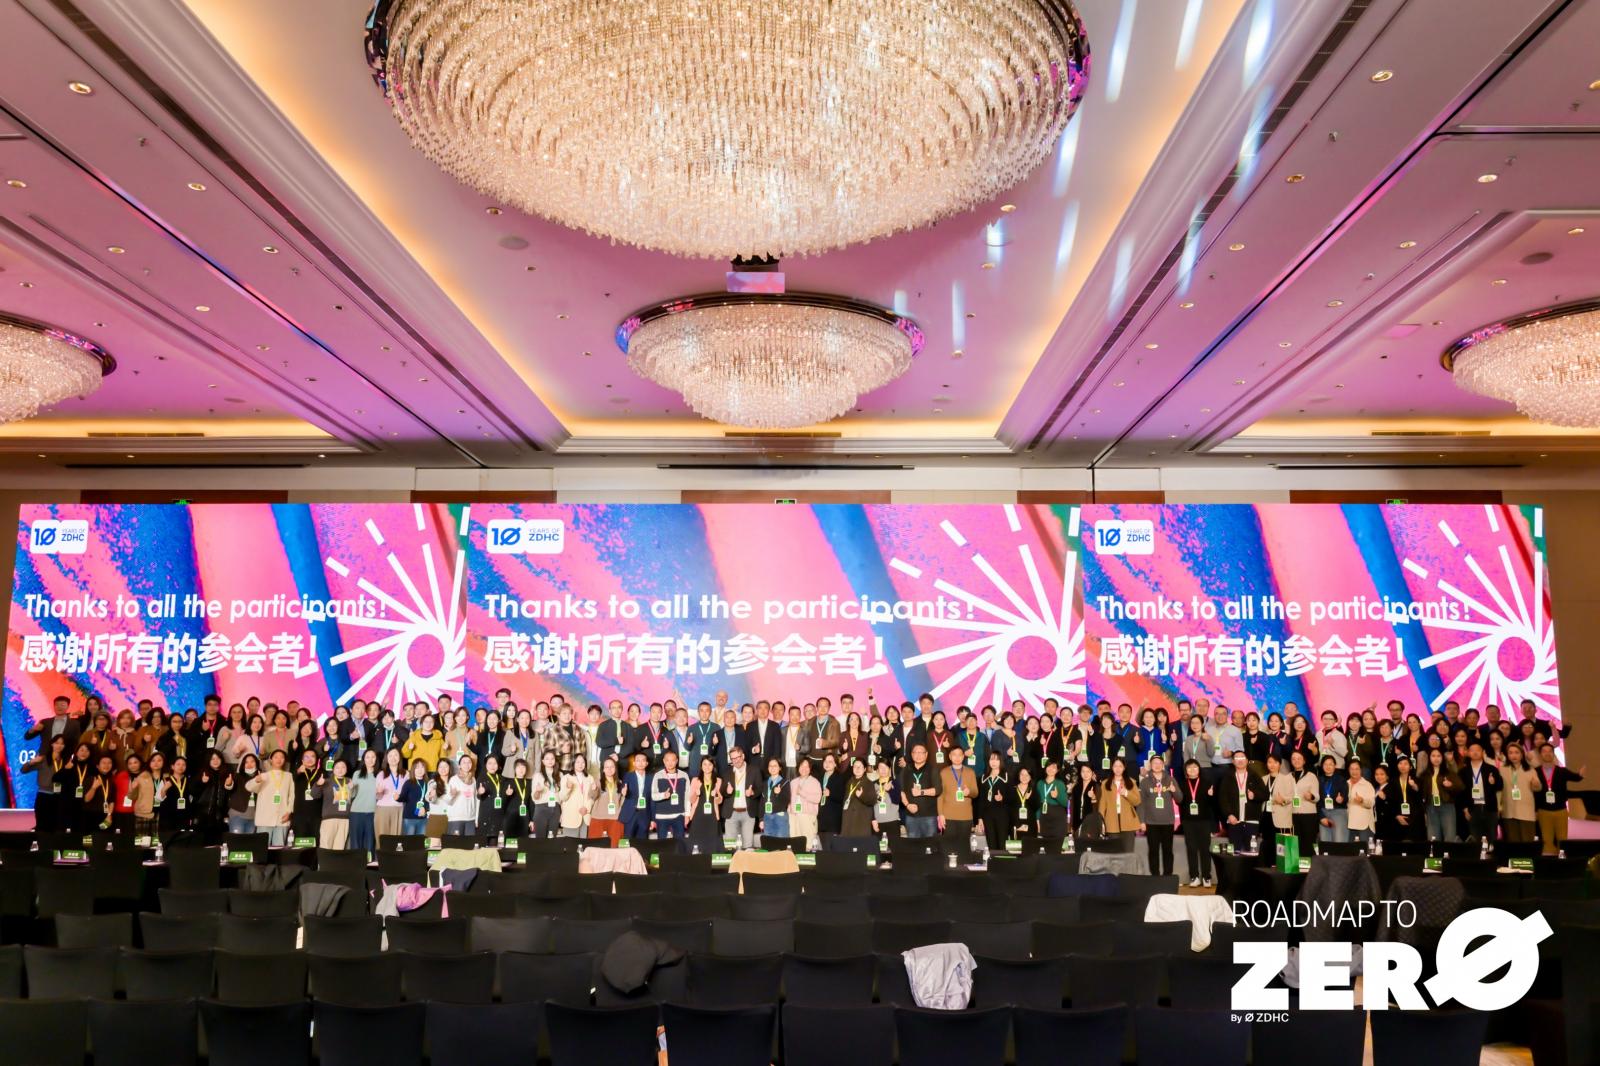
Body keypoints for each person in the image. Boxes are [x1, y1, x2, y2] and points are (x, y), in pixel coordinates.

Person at [1532, 743, 1585, 855]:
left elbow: (1576, 777)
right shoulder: (1535, 772)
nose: (1547, 753)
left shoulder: (1562, 771)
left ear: (1553, 753)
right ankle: (1549, 860)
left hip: (1561, 810)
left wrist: (1580, 775)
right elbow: (1533, 793)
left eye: (1550, 751)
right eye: (1544, 751)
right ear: (1540, 755)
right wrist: (1535, 810)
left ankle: (1562, 858)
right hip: (1543, 811)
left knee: (1562, 838)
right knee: (1546, 839)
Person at [246, 749, 295, 846]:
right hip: (264, 818)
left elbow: (292, 796)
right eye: (276, 757)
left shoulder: (289, 776)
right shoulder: (264, 775)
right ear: (271, 760)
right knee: (262, 848)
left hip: (282, 818)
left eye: (282, 757)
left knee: (279, 848)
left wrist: (289, 812)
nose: (279, 759)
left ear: (285, 760)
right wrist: (256, 780)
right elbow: (249, 787)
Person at [1178, 759, 1215, 886]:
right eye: (1189, 767)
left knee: (1205, 849)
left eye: (1195, 767)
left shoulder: (1207, 783)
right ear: (1186, 770)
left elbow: (1212, 804)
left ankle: (1206, 877)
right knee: (1191, 849)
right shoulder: (1182, 784)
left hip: (1204, 820)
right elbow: (1180, 802)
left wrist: (1211, 795)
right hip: (1188, 821)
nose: (1192, 769)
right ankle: (1194, 877)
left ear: (1199, 769)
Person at [1139, 755, 1175, 876]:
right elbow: (1141, 803)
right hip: (1151, 823)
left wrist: (1174, 790)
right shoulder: (1145, 782)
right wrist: (1142, 821)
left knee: (1168, 851)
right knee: (1153, 851)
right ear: (1150, 765)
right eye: (1154, 763)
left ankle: (1168, 876)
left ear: (1163, 765)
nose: (1157, 765)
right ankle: (1155, 876)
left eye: (1160, 763)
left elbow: (1180, 799)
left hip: (1168, 822)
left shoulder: (1170, 779)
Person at [1460, 741, 1502, 845]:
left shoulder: (1491, 769)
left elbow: (1500, 786)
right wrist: (1465, 809)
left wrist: (1493, 782)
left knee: (1492, 839)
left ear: (1483, 752)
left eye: (1478, 750)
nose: (1475, 752)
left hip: (1490, 808)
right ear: (1468, 753)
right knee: (1475, 839)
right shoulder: (1463, 771)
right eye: (1472, 750)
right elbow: (1461, 792)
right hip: (1472, 808)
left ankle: (1491, 855)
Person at [1419, 748, 1461, 844]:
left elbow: (1460, 787)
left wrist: (1451, 785)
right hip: (1430, 806)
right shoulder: (1424, 774)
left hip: (1447, 805)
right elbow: (1421, 793)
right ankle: (1434, 853)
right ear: (1429, 758)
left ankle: (1448, 854)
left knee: (1450, 835)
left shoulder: (1449, 772)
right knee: (1432, 837)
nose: (1436, 758)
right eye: (1433, 756)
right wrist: (1424, 810)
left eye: (1439, 756)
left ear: (1442, 758)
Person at [1098, 757, 1142, 850]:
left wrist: (1126, 793)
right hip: (1111, 821)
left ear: (1124, 768)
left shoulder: (1131, 782)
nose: (1118, 769)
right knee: (1115, 852)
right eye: (1115, 766)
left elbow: (1137, 801)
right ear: (1112, 767)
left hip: (1128, 822)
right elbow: (1102, 805)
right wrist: (1101, 822)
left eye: (1120, 766)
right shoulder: (1105, 784)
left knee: (1128, 852)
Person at [938, 745, 978, 845]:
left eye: (960, 755)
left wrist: (969, 792)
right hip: (948, 816)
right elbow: (940, 795)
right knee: (949, 846)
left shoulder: (970, 772)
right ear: (950, 756)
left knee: (964, 846)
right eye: (954, 755)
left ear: (963, 756)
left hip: (966, 816)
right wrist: (940, 814)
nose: (957, 757)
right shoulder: (943, 772)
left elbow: (975, 793)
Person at [1499, 742, 1537, 844]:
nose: (1514, 755)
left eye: (1517, 752)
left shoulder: (1530, 769)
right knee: (1513, 843)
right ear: (1507, 755)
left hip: (1526, 811)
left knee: (1527, 842)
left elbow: (1538, 788)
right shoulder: (1502, 769)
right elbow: (1499, 790)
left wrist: (1536, 784)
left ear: (1522, 754)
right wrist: (1499, 806)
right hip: (1509, 811)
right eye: (1510, 753)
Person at [900, 744, 939, 839]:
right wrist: (907, 805)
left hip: (929, 816)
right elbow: (901, 790)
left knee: (930, 844)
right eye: (915, 752)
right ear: (911, 754)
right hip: (911, 816)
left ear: (926, 754)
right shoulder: (906, 769)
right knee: (913, 845)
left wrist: (921, 792)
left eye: (921, 752)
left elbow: (938, 790)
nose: (918, 755)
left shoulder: (932, 769)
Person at [721, 746, 757, 849]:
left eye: (738, 757)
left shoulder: (754, 770)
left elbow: (759, 789)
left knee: (748, 846)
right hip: (731, 813)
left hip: (748, 813)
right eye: (733, 758)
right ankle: (731, 859)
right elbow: (722, 791)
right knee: (730, 846)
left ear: (743, 756)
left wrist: (752, 792)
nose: (736, 760)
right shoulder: (727, 773)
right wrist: (727, 792)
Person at [650, 748, 688, 841]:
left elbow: (687, 797)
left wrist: (687, 814)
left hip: (679, 815)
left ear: (677, 761)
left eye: (672, 760)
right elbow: (653, 796)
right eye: (667, 760)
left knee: (680, 843)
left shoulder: (684, 775)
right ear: (664, 761)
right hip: (662, 816)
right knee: (662, 844)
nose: (670, 763)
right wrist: (663, 795)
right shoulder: (658, 775)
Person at [976, 751, 1011, 853]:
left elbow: (1012, 798)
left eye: (997, 759)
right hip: (988, 816)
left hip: (1002, 815)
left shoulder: (1007, 777)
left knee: (1002, 844)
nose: (994, 762)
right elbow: (981, 800)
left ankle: (1003, 863)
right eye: (992, 759)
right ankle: (993, 862)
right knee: (991, 845)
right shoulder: (983, 778)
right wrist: (980, 818)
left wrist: (1002, 798)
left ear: (1001, 761)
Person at [686, 755, 722, 853]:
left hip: (712, 816)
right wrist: (695, 794)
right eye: (704, 764)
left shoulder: (718, 781)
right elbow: (691, 800)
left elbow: (720, 800)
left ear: (713, 766)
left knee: (712, 844)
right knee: (696, 843)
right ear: (701, 766)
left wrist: (717, 796)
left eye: (710, 764)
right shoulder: (695, 780)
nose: (707, 767)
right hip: (698, 815)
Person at [317, 757, 354, 850]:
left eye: (343, 767)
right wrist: (318, 785)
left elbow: (353, 798)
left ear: (346, 769)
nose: (340, 769)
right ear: (333, 769)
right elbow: (314, 795)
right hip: (329, 819)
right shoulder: (327, 781)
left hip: (345, 819)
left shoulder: (350, 781)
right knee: (326, 847)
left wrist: (352, 789)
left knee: (339, 849)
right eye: (337, 767)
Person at [589, 757, 625, 845]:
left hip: (615, 819)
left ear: (615, 769)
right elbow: (592, 796)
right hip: (598, 818)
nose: (609, 769)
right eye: (607, 767)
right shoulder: (597, 782)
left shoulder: (620, 783)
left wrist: (624, 795)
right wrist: (593, 789)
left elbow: (622, 803)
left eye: (612, 767)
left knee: (614, 845)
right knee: (596, 846)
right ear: (603, 769)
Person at [1038, 762, 1072, 851]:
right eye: (1049, 766)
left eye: (1054, 767)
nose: (1051, 769)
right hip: (1044, 819)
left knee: (1056, 849)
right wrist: (1037, 819)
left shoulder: (1059, 784)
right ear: (1045, 768)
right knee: (1045, 848)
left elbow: (1066, 803)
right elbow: (1037, 804)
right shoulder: (1040, 783)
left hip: (1058, 820)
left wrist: (1057, 796)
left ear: (1057, 770)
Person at [840, 759, 878, 839]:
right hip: (848, 820)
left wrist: (862, 796)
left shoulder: (868, 783)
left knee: (860, 844)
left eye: (859, 767)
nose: (857, 769)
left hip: (861, 821)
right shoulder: (849, 782)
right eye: (855, 766)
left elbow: (873, 800)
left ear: (864, 769)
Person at [560, 754, 594, 839]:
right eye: (578, 762)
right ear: (573, 763)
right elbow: (562, 798)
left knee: (583, 844)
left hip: (585, 816)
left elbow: (592, 797)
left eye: (583, 762)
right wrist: (568, 788)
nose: (580, 764)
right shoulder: (566, 778)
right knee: (570, 845)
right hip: (571, 817)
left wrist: (587, 808)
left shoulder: (590, 778)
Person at [531, 750, 564, 839]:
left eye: (552, 758)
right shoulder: (538, 775)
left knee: (552, 839)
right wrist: (538, 791)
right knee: (540, 840)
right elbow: (535, 797)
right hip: (542, 808)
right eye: (547, 759)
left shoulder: (560, 775)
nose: (550, 761)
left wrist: (563, 813)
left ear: (555, 760)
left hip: (556, 809)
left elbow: (562, 797)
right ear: (543, 761)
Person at [375, 748, 406, 843]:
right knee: (382, 838)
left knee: (396, 840)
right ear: (386, 759)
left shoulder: (406, 774)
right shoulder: (381, 774)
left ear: (400, 758)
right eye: (390, 756)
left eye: (396, 755)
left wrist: (401, 797)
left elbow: (408, 794)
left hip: (399, 809)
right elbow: (378, 797)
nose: (393, 758)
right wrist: (379, 792)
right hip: (383, 809)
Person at [1317, 754, 1349, 845]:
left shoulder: (1341, 780)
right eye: (1325, 764)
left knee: (1339, 842)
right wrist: (1321, 817)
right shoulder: (1318, 780)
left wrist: (1341, 799)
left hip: (1338, 812)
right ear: (1322, 766)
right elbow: (1316, 801)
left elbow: (1345, 796)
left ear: (1335, 765)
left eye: (1331, 764)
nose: (1328, 766)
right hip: (1323, 812)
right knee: (1325, 843)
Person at [789, 760, 822, 847]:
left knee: (808, 844)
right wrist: (790, 811)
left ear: (810, 769)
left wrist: (802, 793)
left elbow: (817, 799)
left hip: (807, 816)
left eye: (806, 766)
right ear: (798, 767)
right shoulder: (793, 782)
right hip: (794, 817)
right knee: (794, 844)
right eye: (802, 766)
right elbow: (789, 800)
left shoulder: (815, 782)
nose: (804, 768)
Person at [445, 755, 479, 837]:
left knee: (469, 844)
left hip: (470, 819)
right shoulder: (454, 779)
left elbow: (476, 800)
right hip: (456, 818)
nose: (467, 764)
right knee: (455, 844)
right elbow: (448, 801)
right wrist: (451, 795)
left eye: (469, 762)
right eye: (464, 762)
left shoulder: (473, 779)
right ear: (459, 765)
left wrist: (476, 818)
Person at [1344, 759, 1376, 847]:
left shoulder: (1367, 785)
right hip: (1348, 824)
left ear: (1361, 770)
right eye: (1352, 769)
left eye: (1357, 769)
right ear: (1348, 770)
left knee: (1365, 851)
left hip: (1364, 825)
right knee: (1351, 852)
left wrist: (1362, 800)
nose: (1354, 771)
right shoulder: (1345, 783)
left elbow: (1371, 803)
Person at [398, 759, 431, 837]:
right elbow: (403, 798)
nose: (420, 770)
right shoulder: (408, 783)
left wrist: (425, 809)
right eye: (417, 767)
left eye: (422, 767)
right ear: (413, 769)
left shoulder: (428, 783)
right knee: (409, 842)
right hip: (409, 818)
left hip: (423, 818)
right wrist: (398, 798)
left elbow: (430, 801)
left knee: (421, 842)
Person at [760, 757, 791, 839]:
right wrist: (761, 819)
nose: (772, 768)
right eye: (770, 766)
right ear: (768, 768)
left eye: (775, 766)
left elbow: (787, 801)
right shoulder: (765, 783)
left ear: (780, 768)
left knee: (781, 843)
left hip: (780, 816)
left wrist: (779, 793)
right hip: (767, 817)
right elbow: (762, 802)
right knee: (769, 844)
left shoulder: (785, 782)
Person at [871, 761, 901, 839]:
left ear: (890, 769)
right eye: (881, 767)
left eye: (886, 767)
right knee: (878, 846)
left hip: (893, 821)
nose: (883, 770)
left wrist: (890, 790)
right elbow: (870, 804)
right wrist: (873, 819)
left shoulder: (895, 782)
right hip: (878, 822)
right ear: (877, 770)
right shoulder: (872, 784)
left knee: (894, 845)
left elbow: (897, 800)